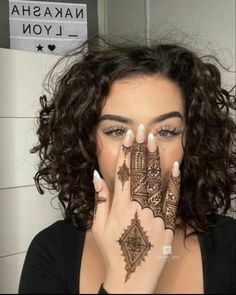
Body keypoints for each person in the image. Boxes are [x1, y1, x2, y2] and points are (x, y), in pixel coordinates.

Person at [18, 35, 236, 294]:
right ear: (87, 141)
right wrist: (128, 280)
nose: (140, 152)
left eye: (166, 131)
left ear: (192, 140)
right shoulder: (51, 251)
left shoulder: (231, 246)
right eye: (116, 131)